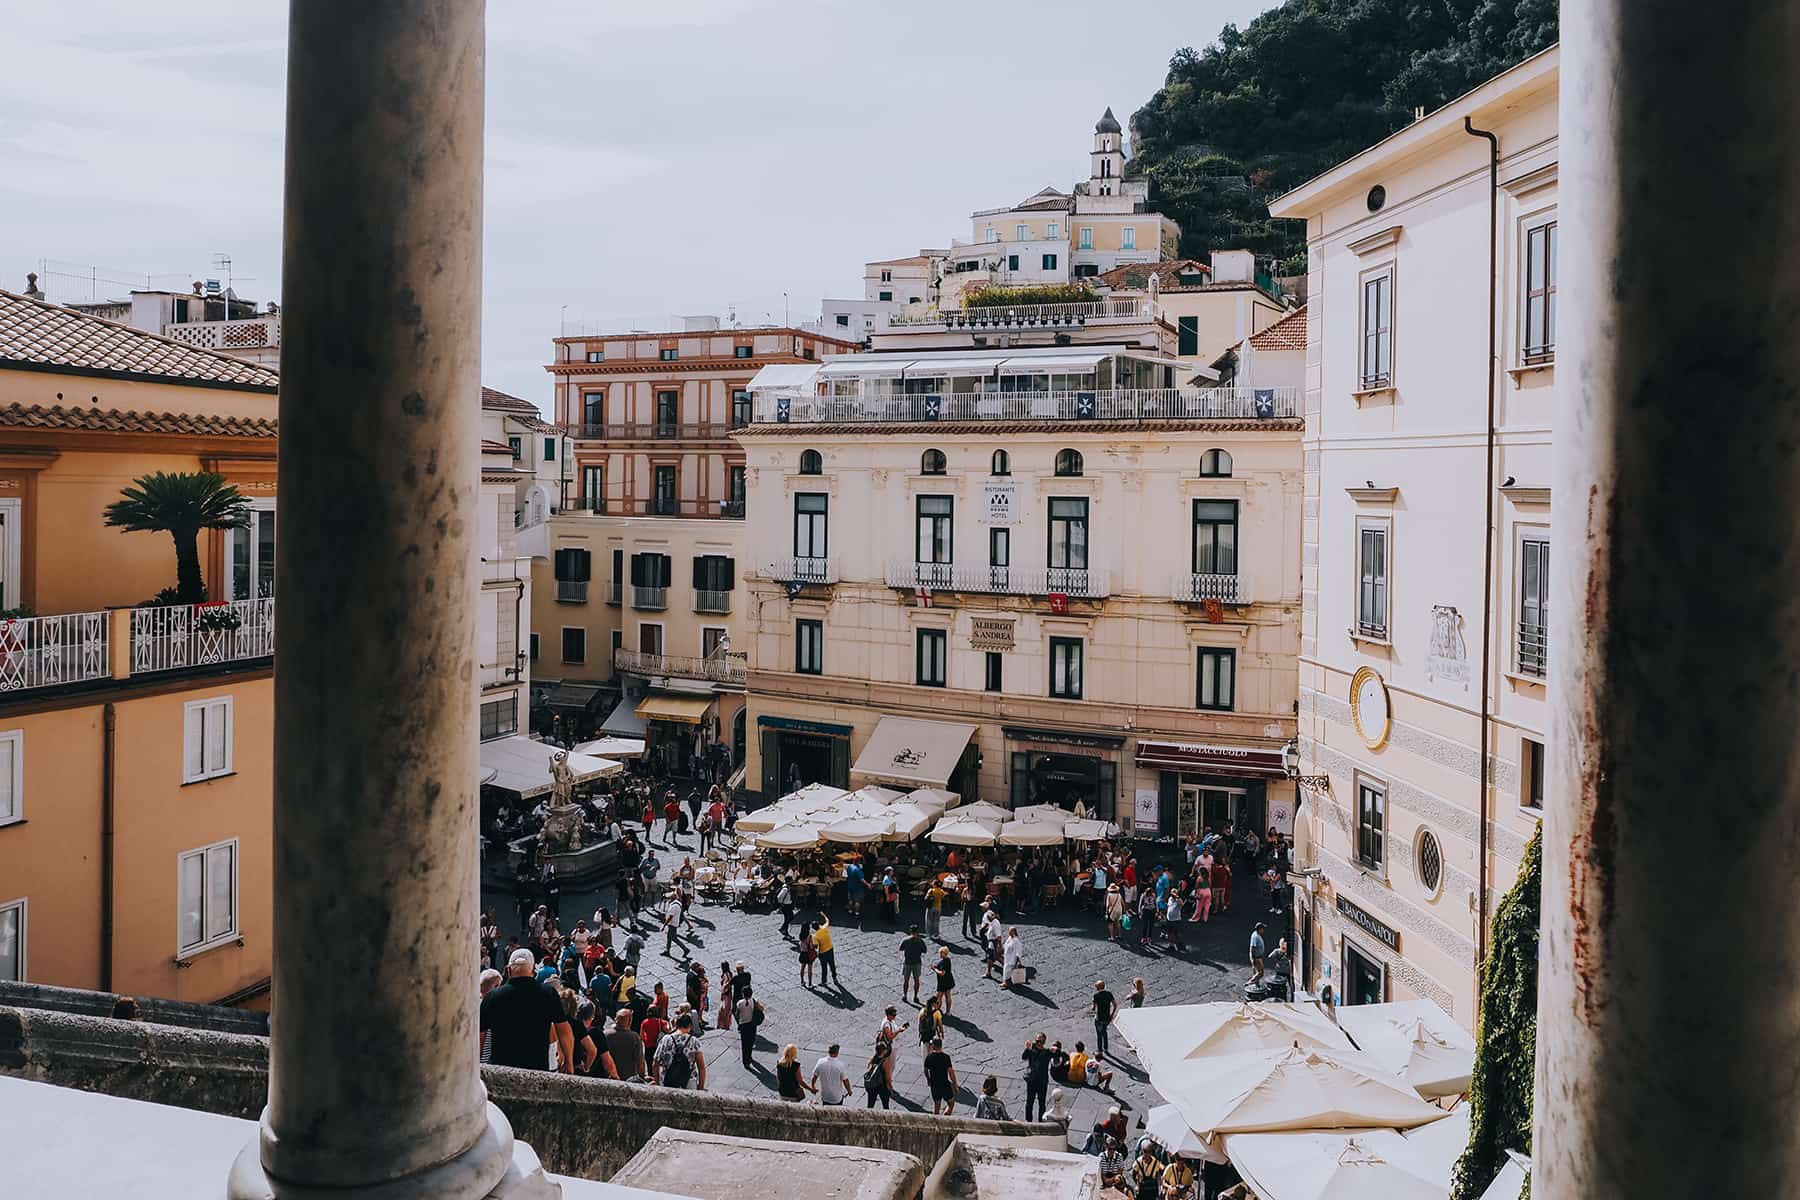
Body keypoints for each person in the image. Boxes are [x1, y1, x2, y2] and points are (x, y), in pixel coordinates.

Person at [480, 949, 573, 1073]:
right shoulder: (548, 994)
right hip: (536, 1069)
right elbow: (564, 1031)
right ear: (533, 970)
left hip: (501, 1069)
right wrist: (568, 1061)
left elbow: (479, 1036)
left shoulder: (492, 997)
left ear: (508, 970)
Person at [653, 1012, 706, 1090]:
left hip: (668, 1082)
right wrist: (701, 1087)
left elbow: (655, 1063)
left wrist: (657, 1083)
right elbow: (701, 1067)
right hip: (689, 1083)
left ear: (676, 1025)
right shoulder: (694, 1041)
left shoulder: (666, 1039)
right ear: (689, 1026)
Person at [605, 1008, 647, 1081]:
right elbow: (640, 1062)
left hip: (609, 1076)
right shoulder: (634, 1037)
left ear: (615, 1019)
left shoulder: (605, 1034)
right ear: (629, 1022)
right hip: (628, 1078)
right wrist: (642, 1078)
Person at [1021, 1032, 1053, 1122]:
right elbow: (1023, 1057)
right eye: (1037, 1041)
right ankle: (1028, 1121)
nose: (1038, 1043)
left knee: (1042, 1103)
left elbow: (1058, 1055)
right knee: (1029, 1102)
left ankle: (1041, 1121)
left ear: (1044, 1042)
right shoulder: (1031, 1050)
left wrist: (1056, 1049)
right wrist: (1027, 1048)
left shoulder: (1047, 1052)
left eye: (1040, 1041)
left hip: (1042, 1082)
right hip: (1032, 1080)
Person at [924, 1037, 958, 1115]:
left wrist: (928, 1080)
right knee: (951, 1103)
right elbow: (951, 1072)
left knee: (937, 1106)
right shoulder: (946, 1057)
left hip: (934, 1085)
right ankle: (947, 1115)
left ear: (933, 1046)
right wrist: (955, 1085)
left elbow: (926, 1070)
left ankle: (936, 1123)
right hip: (945, 1084)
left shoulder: (929, 1057)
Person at [878, 1005, 908, 1090]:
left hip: (894, 1046)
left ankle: (888, 1082)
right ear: (888, 1015)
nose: (895, 1016)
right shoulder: (886, 1024)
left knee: (892, 1066)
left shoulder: (890, 1020)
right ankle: (888, 1084)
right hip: (890, 1048)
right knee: (890, 1066)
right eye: (893, 1015)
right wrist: (898, 1031)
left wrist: (899, 1028)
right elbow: (889, 1037)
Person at [900, 925, 929, 1004]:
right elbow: (925, 950)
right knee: (916, 980)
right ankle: (915, 996)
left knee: (906, 980)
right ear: (917, 932)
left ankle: (905, 996)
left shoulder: (905, 940)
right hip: (917, 962)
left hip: (908, 962)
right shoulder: (920, 941)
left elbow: (901, 948)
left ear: (910, 931)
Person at [864, 1039, 893, 1109]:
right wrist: (890, 1086)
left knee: (870, 1105)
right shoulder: (885, 1062)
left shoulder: (872, 1059)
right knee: (885, 1105)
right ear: (884, 1051)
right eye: (885, 1048)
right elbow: (887, 1076)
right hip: (882, 1085)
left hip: (872, 1085)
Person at [1091, 979, 1117, 1059]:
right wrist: (1112, 1014)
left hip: (1099, 1018)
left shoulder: (1096, 995)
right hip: (1107, 1018)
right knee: (1104, 1032)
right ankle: (1106, 1048)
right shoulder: (1109, 994)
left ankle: (1100, 1050)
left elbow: (1093, 1008)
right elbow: (1115, 1005)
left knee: (1099, 1035)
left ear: (1098, 988)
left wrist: (1093, 1005)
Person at [737, 995, 763, 1069]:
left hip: (743, 1026)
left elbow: (737, 1014)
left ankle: (746, 1061)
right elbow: (762, 1009)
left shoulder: (740, 1003)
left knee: (744, 1044)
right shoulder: (754, 1001)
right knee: (751, 1042)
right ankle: (749, 1056)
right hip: (752, 1025)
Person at [814, 914, 840, 986]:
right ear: (819, 925)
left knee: (824, 967)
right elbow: (827, 920)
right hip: (830, 949)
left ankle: (824, 981)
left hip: (822, 953)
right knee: (832, 964)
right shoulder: (825, 927)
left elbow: (816, 946)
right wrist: (823, 915)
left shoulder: (815, 936)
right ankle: (835, 978)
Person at [933, 945, 957, 1014]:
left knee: (939, 996)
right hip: (949, 980)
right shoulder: (948, 960)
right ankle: (948, 1011)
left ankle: (937, 1009)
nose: (940, 954)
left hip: (943, 981)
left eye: (941, 953)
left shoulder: (943, 962)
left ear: (944, 953)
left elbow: (942, 973)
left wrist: (935, 969)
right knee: (948, 995)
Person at [798, 921, 818, 986]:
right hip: (808, 954)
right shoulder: (809, 937)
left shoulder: (800, 936)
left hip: (802, 953)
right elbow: (811, 946)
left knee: (802, 968)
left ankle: (802, 981)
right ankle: (810, 983)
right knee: (809, 969)